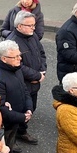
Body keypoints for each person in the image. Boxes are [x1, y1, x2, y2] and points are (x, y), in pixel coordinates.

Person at [5, 11, 46, 145]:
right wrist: (36, 75)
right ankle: (10, 140)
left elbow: (41, 53)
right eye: (30, 25)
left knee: (30, 108)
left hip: (34, 83)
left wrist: (42, 70)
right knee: (17, 112)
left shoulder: (32, 36)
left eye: (34, 25)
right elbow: (18, 65)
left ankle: (22, 132)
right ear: (19, 26)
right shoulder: (12, 42)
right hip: (21, 83)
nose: (33, 28)